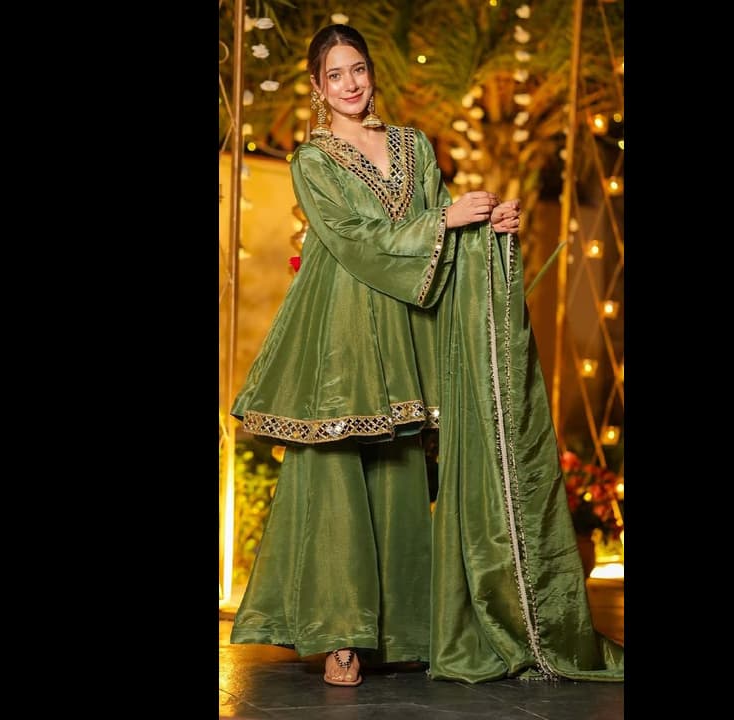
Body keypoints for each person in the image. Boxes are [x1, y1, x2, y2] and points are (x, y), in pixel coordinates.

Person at [229, 23, 623, 685]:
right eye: (335, 75)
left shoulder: (413, 146)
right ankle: (340, 637)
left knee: (401, 470)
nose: (350, 84)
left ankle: (405, 629)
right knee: (335, 477)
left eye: (358, 69)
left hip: (406, 325)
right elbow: (353, 239)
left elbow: (443, 228)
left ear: (371, 72)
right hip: (339, 333)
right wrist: (445, 220)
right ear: (318, 87)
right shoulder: (312, 161)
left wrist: (489, 226)